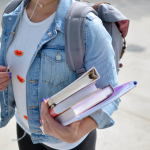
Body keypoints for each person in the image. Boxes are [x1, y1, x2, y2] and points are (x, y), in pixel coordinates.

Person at [0, 0, 120, 150]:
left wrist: (76, 134)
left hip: (70, 145)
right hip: (25, 131)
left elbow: (109, 93)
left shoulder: (87, 25)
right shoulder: (12, 12)